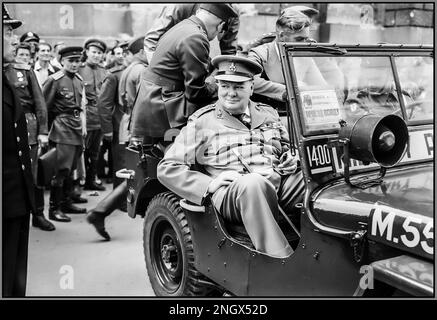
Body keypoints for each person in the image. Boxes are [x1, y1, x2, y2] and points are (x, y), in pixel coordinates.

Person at [157, 56, 304, 258]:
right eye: (225, 86)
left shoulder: (268, 113)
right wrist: (209, 184)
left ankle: (328, 251)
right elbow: (168, 167)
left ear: (251, 87)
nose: (231, 93)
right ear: (217, 86)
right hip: (234, 194)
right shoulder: (202, 121)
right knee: (252, 184)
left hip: (277, 182)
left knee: (315, 177)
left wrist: (293, 159)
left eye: (239, 86)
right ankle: (278, 260)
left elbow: (286, 148)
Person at [130, 3, 238, 146]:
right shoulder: (196, 37)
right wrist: (220, 87)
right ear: (220, 25)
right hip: (165, 109)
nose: (216, 37)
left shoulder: (183, 27)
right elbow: (195, 92)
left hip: (152, 102)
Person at [3, 3, 36, 296]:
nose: (15, 39)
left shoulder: (7, 77)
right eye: (7, 33)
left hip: (15, 198)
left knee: (14, 279)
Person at [4, 39, 55, 232]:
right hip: (7, 127)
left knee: (33, 173)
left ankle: (39, 214)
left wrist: (42, 131)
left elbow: (39, 102)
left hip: (28, 126)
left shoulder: (25, 71)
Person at [42, 46, 88, 222]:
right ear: (62, 61)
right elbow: (44, 108)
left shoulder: (78, 79)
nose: (75, 64)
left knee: (72, 168)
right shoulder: (54, 80)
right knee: (61, 169)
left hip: (76, 127)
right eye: (71, 61)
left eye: (77, 61)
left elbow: (81, 106)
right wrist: (44, 133)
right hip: (62, 129)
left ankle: (66, 202)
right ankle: (54, 209)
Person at [248, 9, 326, 108]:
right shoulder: (260, 53)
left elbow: (321, 87)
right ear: (281, 35)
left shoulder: (304, 57)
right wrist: (289, 90)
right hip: (268, 115)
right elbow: (250, 81)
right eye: (299, 39)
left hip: (298, 116)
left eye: (306, 39)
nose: (304, 44)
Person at [143, 3, 240, 63]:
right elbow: (152, 38)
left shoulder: (232, 11)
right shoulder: (181, 5)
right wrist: (159, 71)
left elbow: (229, 51)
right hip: (168, 58)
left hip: (197, 60)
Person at [78, 38, 108, 191]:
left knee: (96, 152)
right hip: (86, 118)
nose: (96, 55)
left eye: (99, 53)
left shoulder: (104, 71)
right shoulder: (80, 69)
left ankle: (91, 179)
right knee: (83, 151)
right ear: (87, 52)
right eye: (94, 52)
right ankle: (80, 181)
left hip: (100, 118)